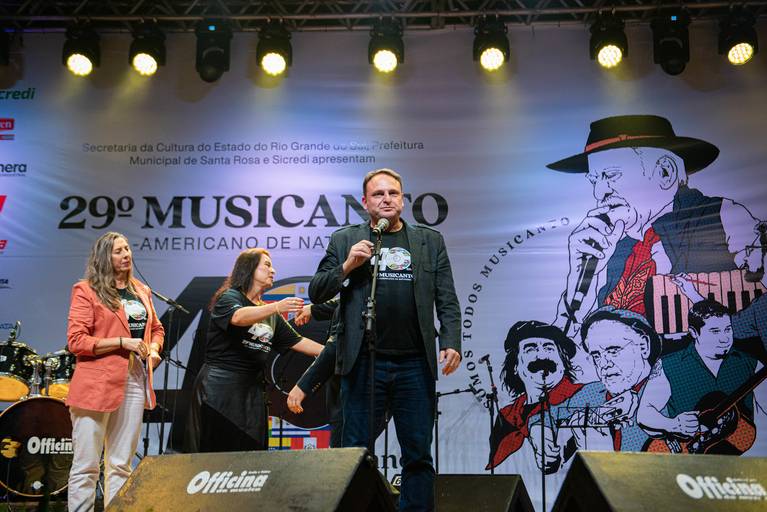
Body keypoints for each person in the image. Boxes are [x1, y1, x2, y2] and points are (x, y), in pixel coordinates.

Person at [308, 168, 461, 511]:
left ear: (403, 200)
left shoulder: (429, 241)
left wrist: (451, 340)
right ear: (365, 202)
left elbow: (447, 298)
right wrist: (347, 266)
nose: (387, 199)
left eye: (393, 193)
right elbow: (317, 291)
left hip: (415, 364)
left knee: (418, 455)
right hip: (364, 361)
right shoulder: (344, 239)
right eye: (378, 194)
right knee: (356, 454)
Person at [547, 115, 758, 333]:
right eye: (594, 180)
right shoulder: (614, 248)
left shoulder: (722, 216)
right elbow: (568, 342)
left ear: (665, 172)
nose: (599, 193)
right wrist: (581, 281)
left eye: (611, 175)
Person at [187, 248, 323, 453]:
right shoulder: (230, 297)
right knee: (215, 452)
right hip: (220, 388)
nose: (273, 270)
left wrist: (333, 352)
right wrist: (276, 307)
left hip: (251, 392)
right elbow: (238, 317)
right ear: (249, 268)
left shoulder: (269, 313)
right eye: (267, 265)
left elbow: (298, 341)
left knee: (251, 451)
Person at [66, 231, 165, 511]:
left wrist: (154, 349)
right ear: (104, 257)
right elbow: (77, 341)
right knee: (86, 466)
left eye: (127, 249)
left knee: (121, 464)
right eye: (118, 251)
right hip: (95, 385)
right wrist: (121, 342)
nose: (126, 255)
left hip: (134, 381)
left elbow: (157, 329)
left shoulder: (141, 290)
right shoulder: (86, 290)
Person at [637, 299, 763, 453]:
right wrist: (673, 425)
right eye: (715, 331)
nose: (725, 338)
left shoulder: (751, 363)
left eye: (728, 329)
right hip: (688, 458)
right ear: (694, 332)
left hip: (740, 457)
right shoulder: (669, 365)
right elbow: (644, 414)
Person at [487, 321, 582, 471]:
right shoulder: (506, 416)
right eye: (530, 349)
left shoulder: (585, 395)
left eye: (549, 348)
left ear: (563, 363)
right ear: (515, 366)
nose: (541, 355)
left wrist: (537, 427)